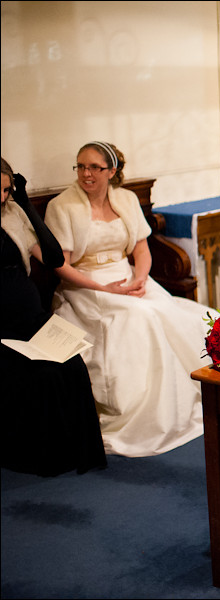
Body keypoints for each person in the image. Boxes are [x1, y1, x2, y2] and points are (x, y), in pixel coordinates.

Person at [44, 142, 213, 457]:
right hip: (87, 287)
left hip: (128, 276)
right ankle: (146, 411)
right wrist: (106, 289)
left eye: (95, 167)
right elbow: (60, 265)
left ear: (112, 171)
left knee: (173, 314)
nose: (86, 174)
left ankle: (203, 392)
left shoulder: (126, 198)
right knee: (142, 318)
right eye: (80, 166)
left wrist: (140, 278)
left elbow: (141, 249)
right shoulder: (62, 206)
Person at [1, 157, 107, 476]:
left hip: (29, 317)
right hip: (1, 328)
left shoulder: (12, 214)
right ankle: (46, 459)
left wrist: (26, 205)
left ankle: (79, 453)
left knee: (71, 363)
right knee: (42, 374)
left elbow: (53, 257)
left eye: (6, 190)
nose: (1, 197)